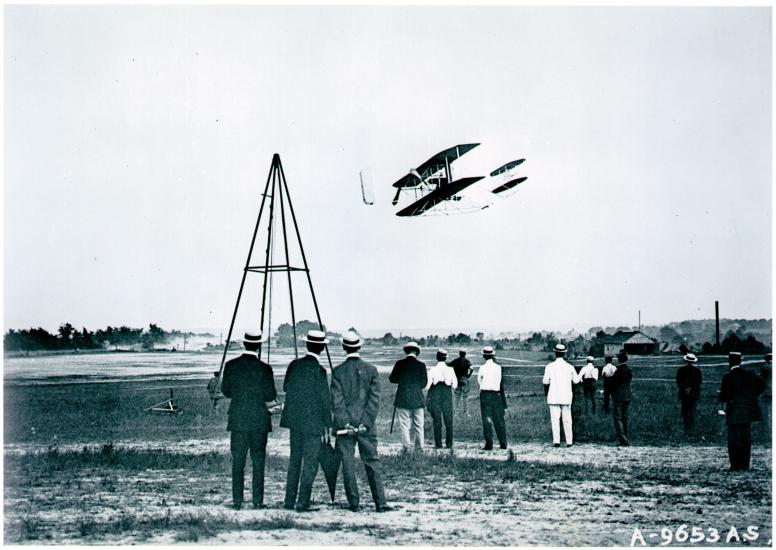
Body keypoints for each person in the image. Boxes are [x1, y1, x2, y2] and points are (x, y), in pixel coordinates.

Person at [330, 332, 389, 512]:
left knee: (347, 463)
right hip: (366, 426)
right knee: (372, 461)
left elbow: (337, 401)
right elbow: (374, 400)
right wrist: (365, 422)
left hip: (344, 427)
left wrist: (345, 423)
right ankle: (380, 502)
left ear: (344, 347)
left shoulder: (338, 371)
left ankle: (353, 503)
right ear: (360, 347)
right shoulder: (371, 370)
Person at [220, 331, 278, 510]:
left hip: (238, 420)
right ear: (259, 345)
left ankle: (237, 500)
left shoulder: (231, 365)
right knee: (258, 461)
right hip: (259, 421)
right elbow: (271, 395)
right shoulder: (265, 368)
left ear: (244, 344)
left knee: (238, 461)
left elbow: (226, 391)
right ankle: (257, 500)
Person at [280, 329, 332, 512]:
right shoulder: (320, 371)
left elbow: (286, 387)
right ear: (322, 348)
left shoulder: (293, 365)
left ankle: (289, 501)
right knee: (310, 463)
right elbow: (326, 400)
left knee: (295, 460)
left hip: (295, 422)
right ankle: (303, 502)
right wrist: (328, 423)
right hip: (313, 424)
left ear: (307, 345)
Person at [719, 351, 765, 471]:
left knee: (734, 439)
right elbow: (762, 385)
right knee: (746, 438)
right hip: (748, 410)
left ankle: (735, 465)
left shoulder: (728, 377)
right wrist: (752, 396)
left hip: (734, 411)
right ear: (740, 361)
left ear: (730, 362)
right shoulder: (749, 374)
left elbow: (724, 396)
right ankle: (745, 465)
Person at [389, 341, 428, 452]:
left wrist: (402, 380)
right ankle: (420, 447)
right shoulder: (421, 365)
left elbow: (392, 379)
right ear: (417, 352)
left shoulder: (399, 363)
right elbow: (424, 383)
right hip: (417, 398)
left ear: (407, 351)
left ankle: (406, 447)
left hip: (403, 397)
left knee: (404, 424)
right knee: (419, 424)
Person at [542, 343, 581, 447]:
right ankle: (569, 441)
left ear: (555, 353)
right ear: (564, 354)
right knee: (567, 419)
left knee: (555, 420)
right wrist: (581, 374)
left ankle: (556, 441)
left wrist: (547, 394)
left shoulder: (549, 367)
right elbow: (576, 381)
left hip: (554, 396)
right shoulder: (570, 367)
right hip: (566, 396)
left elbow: (545, 382)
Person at [425, 348, 458, 449]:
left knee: (437, 420)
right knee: (448, 419)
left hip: (435, 394)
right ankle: (449, 443)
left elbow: (427, 386)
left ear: (437, 358)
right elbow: (455, 385)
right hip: (447, 393)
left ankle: (438, 444)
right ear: (445, 358)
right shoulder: (450, 370)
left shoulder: (432, 370)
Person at [478, 346, 507, 450]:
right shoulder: (498, 368)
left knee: (487, 419)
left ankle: (489, 443)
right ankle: (503, 443)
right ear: (492, 355)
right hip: (496, 394)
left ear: (484, 356)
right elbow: (499, 382)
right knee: (499, 419)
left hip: (485, 394)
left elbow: (479, 381)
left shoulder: (482, 368)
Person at [675, 353, 702, 436]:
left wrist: (685, 389)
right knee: (692, 413)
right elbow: (699, 382)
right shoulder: (697, 371)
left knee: (685, 412)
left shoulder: (681, 370)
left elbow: (678, 381)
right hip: (693, 394)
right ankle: (691, 430)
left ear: (686, 360)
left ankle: (686, 430)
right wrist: (691, 389)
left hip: (684, 394)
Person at [610, 350, 633, 446]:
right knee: (625, 418)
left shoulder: (617, 371)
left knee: (617, 418)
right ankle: (626, 437)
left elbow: (613, 384)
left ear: (619, 359)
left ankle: (623, 439)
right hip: (627, 395)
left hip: (618, 396)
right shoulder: (629, 370)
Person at [449, 350, 473, 414]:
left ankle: (456, 411)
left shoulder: (455, 361)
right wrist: (468, 375)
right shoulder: (467, 361)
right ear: (465, 354)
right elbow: (472, 368)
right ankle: (466, 412)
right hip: (464, 378)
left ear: (459, 354)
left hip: (457, 379)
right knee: (465, 396)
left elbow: (449, 365)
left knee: (456, 396)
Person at [760, 353, 771, 431]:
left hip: (767, 390)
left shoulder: (765, 367)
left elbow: (761, 379)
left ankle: (768, 426)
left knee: (767, 409)